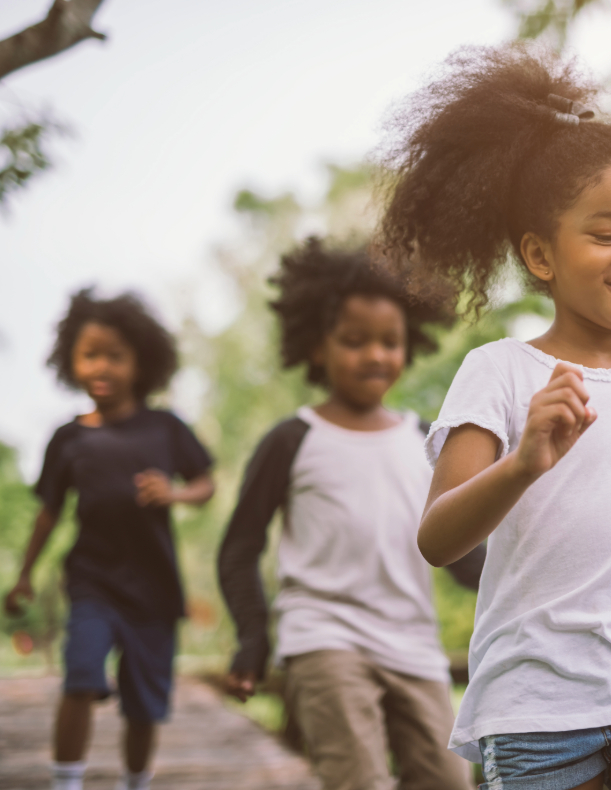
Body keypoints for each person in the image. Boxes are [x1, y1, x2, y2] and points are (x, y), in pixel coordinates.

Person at [374, 44, 611, 790]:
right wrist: (524, 462)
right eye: (606, 234)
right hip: (538, 703)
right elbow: (439, 537)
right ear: (540, 254)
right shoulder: (500, 373)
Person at [217, 239, 482, 790]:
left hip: (413, 642)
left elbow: (459, 553)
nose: (375, 355)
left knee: (451, 781)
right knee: (358, 780)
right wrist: (252, 637)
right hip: (324, 636)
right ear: (317, 346)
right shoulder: (292, 439)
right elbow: (239, 547)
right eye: (354, 341)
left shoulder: (426, 440)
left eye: (390, 342)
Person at [3, 289, 215, 790]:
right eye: (89, 354)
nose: (101, 366)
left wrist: (176, 494)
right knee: (80, 675)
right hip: (92, 580)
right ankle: (66, 782)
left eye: (114, 355)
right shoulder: (68, 438)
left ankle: (135, 782)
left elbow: (205, 484)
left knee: (144, 702)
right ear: (69, 361)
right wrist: (25, 574)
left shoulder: (165, 428)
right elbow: (50, 512)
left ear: (140, 362)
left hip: (154, 587)